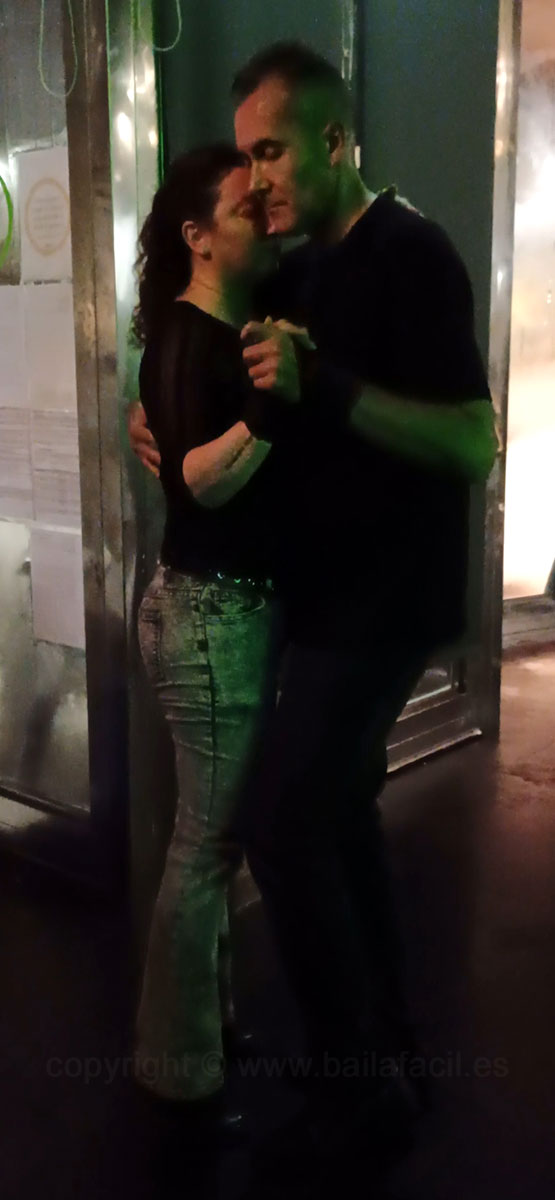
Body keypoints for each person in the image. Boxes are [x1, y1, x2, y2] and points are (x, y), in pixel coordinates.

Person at [129, 41, 497, 1173]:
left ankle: (360, 1093)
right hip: (318, 599)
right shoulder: (298, 270)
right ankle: (382, 1054)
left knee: (285, 826)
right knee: (334, 819)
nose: (256, 180)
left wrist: (324, 388)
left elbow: (471, 442)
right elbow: (203, 341)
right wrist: (151, 419)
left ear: (335, 141)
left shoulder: (411, 252)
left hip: (383, 604)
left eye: (273, 152)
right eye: (246, 158)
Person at [129, 143, 299, 1133]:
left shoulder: (204, 329)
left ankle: (203, 1036)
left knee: (209, 842)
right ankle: (175, 1068)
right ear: (197, 237)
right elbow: (196, 480)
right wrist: (272, 409)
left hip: (212, 610)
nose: (264, 218)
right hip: (210, 614)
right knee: (202, 849)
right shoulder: (194, 336)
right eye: (245, 207)